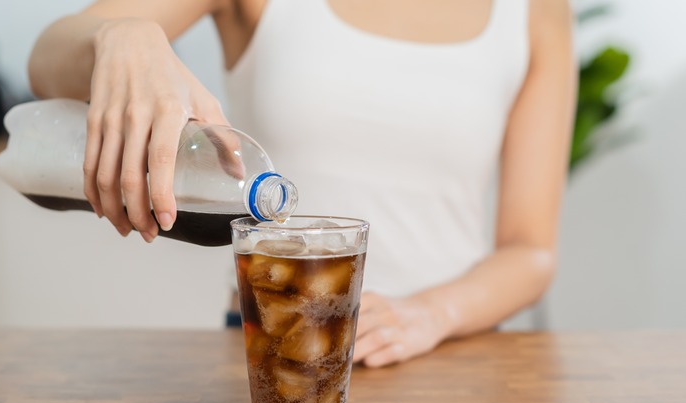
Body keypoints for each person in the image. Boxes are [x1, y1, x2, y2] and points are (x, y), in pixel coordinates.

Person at [29, 0, 575, 368]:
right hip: (275, 348)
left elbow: (530, 249)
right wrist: (123, 36)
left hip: (457, 358)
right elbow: (48, 62)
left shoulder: (534, 11)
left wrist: (432, 313)